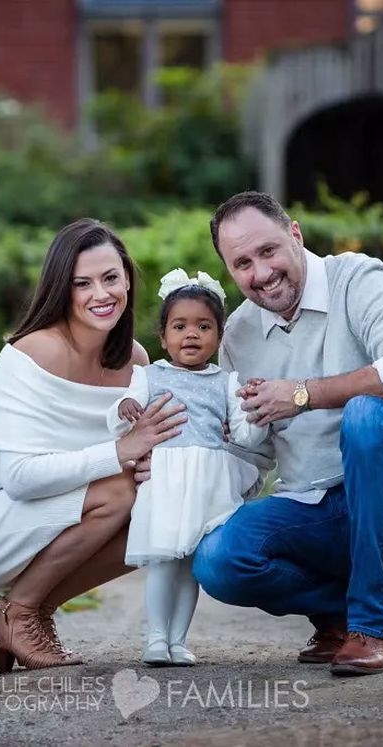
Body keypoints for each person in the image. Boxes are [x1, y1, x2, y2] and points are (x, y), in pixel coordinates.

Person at [186, 191, 383, 676]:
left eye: (267, 251)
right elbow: (250, 457)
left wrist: (302, 394)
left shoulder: (357, 278)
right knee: (218, 560)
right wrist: (172, 458)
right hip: (318, 512)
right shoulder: (240, 335)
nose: (261, 273)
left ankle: (372, 629)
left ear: (295, 233)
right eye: (242, 263)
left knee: (366, 416)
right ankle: (340, 615)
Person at [0, 218, 186, 674]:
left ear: (127, 280)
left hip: (22, 517)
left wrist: (151, 459)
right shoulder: (35, 351)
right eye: (83, 283)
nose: (101, 294)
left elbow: (144, 444)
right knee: (119, 490)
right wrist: (122, 454)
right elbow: (20, 479)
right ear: (62, 289)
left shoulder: (136, 362)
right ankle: (18, 614)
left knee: (157, 509)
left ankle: (27, 613)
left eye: (110, 278)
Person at [108, 270, 267, 667]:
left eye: (203, 326)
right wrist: (126, 408)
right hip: (165, 481)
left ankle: (179, 640)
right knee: (164, 562)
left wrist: (258, 413)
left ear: (219, 335)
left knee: (190, 567)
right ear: (163, 337)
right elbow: (123, 415)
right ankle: (156, 638)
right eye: (179, 326)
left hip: (207, 483)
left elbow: (245, 438)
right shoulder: (149, 375)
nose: (191, 334)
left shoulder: (226, 382)